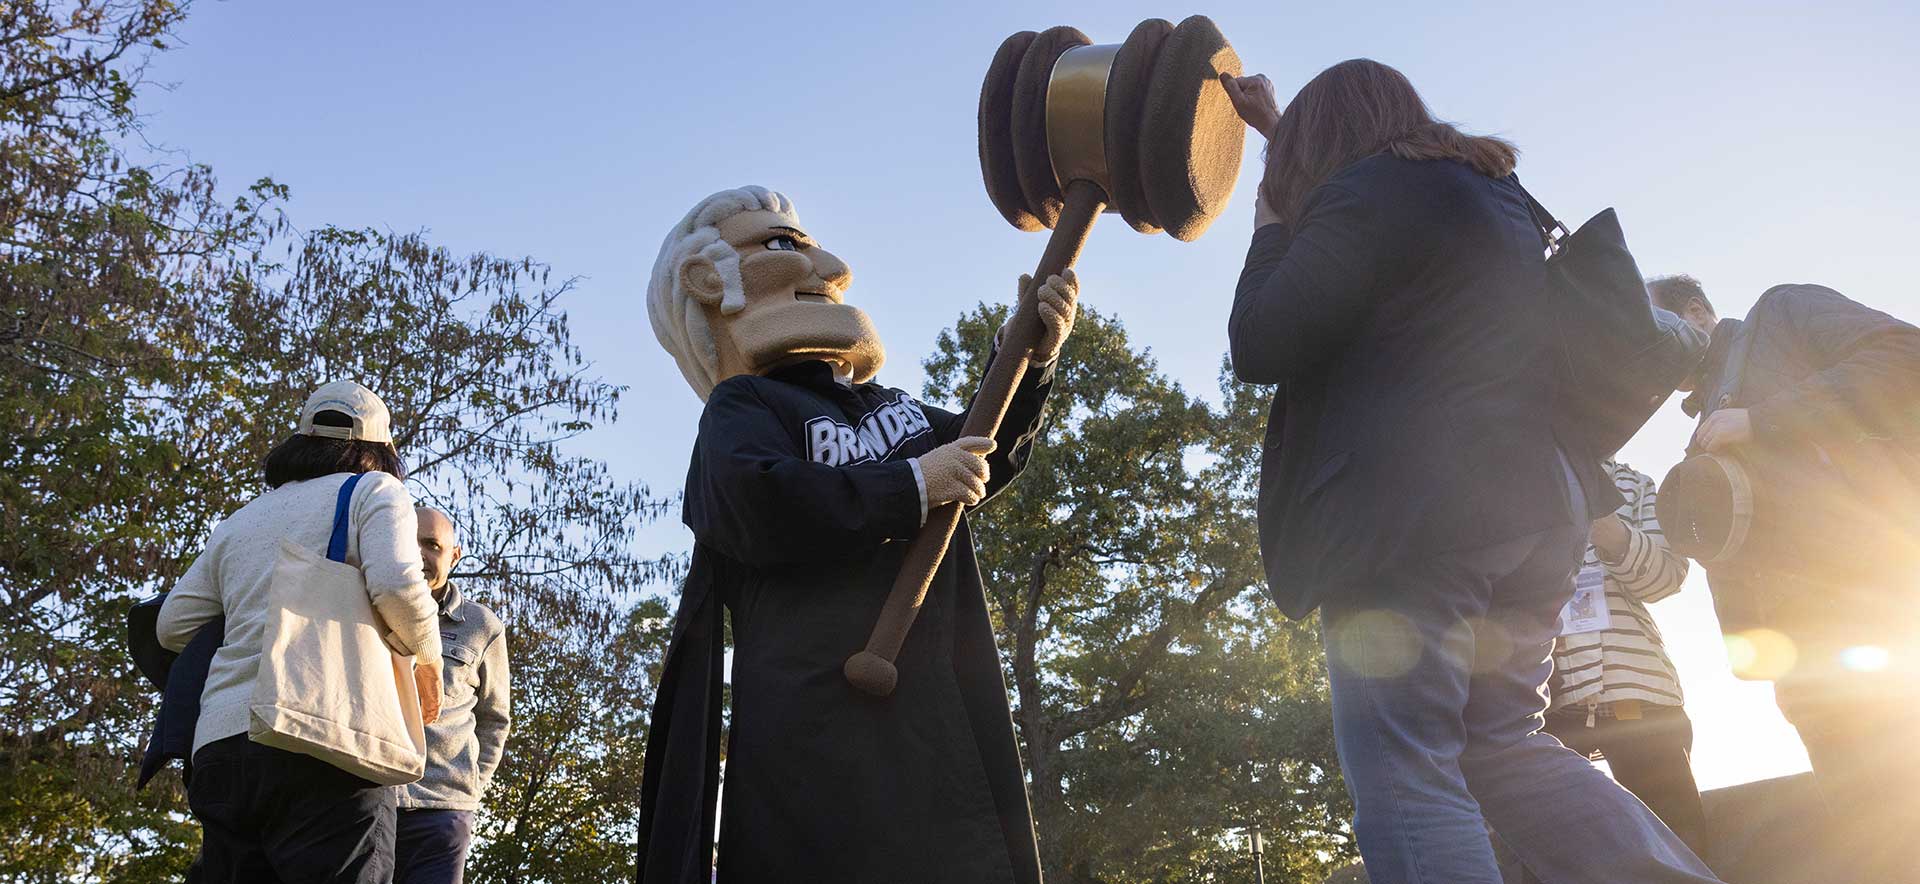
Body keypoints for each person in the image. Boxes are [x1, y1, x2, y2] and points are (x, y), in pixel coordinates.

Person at [1217, 61, 1719, 883]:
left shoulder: (1365, 196)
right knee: (1501, 746)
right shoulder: (1492, 192)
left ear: (1326, 145)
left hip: (1414, 525)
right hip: (1538, 513)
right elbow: (1376, 234)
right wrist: (1281, 134)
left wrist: (1271, 218)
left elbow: (1262, 339)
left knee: (1405, 767)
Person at [635, 187, 1074, 883]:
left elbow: (979, 451)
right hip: (819, 729)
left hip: (936, 722)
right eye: (784, 247)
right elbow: (754, 499)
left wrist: (1028, 362)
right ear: (709, 282)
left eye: (810, 245)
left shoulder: (889, 407)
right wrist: (907, 488)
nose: (828, 266)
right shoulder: (744, 406)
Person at [1654, 274, 1920, 883]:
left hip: (1885, 612)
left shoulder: (1782, 311)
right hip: (1807, 667)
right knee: (1872, 835)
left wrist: (1763, 420)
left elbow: (1907, 355)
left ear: (1696, 313)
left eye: (1649, 323)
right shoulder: (1703, 420)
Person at [156, 380, 443, 883]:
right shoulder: (373, 491)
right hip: (323, 738)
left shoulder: (240, 521)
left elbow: (172, 625)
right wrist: (427, 657)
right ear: (379, 450)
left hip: (221, 748)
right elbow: (398, 588)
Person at [393, 507, 509, 884]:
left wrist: (472, 785)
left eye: (432, 544)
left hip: (443, 810)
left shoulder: (482, 626)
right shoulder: (370, 608)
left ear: (453, 555)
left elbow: (495, 718)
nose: (420, 554)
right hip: (370, 799)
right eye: (410, 543)